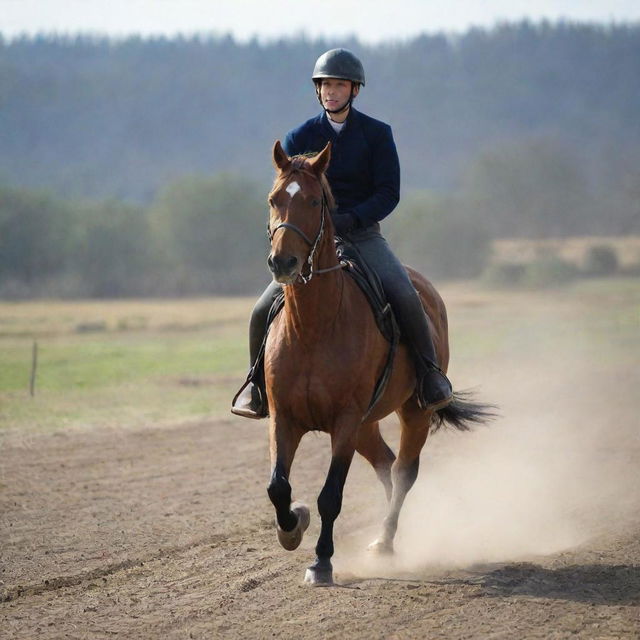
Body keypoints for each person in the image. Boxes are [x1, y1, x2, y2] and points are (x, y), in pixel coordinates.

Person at [231, 48, 452, 419]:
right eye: (325, 85)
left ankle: (430, 377)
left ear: (354, 90)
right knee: (260, 310)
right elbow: (288, 193)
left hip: (363, 235)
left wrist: (351, 219)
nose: (331, 92)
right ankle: (256, 387)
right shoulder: (299, 135)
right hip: (312, 243)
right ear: (318, 91)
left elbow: (389, 192)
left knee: (405, 294)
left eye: (339, 85)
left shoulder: (377, 134)